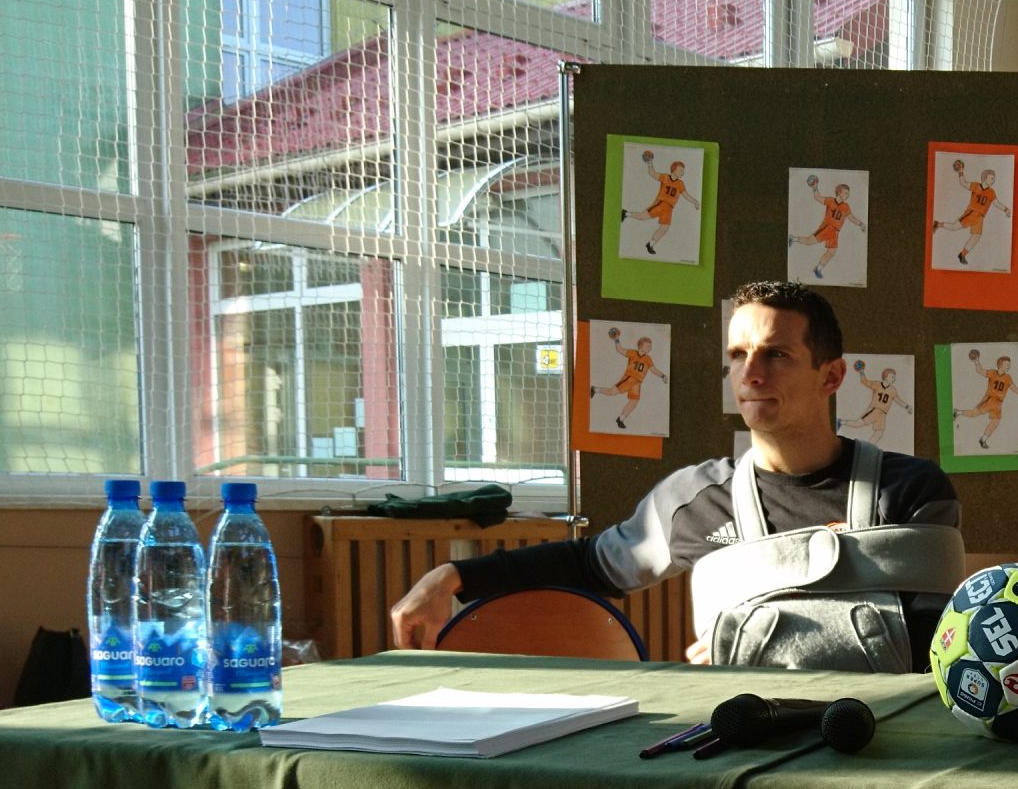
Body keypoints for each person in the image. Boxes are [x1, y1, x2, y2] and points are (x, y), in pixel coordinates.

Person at [389, 282, 960, 663]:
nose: (751, 375)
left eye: (776, 354)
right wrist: (452, 578)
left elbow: (929, 638)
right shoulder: (694, 499)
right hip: (749, 742)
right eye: (738, 355)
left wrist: (749, 645)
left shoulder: (910, 489)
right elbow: (591, 565)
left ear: (831, 376)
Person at [930, 161, 1009, 267]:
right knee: (954, 227)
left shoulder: (992, 192)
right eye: (991, 178)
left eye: (994, 179)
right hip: (971, 213)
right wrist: (961, 171)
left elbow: (996, 203)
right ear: (985, 177)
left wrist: (1005, 209)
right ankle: (938, 224)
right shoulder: (976, 186)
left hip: (980, 217)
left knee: (976, 237)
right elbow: (963, 183)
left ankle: (962, 254)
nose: (993, 180)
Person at [622, 151, 698, 256]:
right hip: (661, 204)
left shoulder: (680, 183)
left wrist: (695, 202)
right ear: (674, 169)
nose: (683, 173)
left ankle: (650, 244)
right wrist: (650, 163)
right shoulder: (665, 177)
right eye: (681, 170)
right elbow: (652, 174)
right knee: (643, 217)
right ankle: (626, 213)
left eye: (683, 171)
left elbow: (686, 195)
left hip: (669, 208)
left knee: (664, 228)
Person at [952, 350, 1018, 449]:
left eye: (1009, 365)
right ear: (1000, 365)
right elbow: (980, 371)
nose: (1009, 366)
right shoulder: (992, 373)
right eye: (1007, 364)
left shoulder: (1008, 377)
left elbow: (1014, 388)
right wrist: (976, 361)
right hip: (990, 399)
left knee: (996, 421)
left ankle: (983, 439)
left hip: (998, 403)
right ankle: (958, 412)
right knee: (974, 413)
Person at [790, 177, 862, 280]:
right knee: (809, 241)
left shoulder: (846, 206)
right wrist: (815, 187)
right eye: (846, 193)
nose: (848, 195)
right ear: (839, 193)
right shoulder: (830, 200)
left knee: (831, 252)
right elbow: (817, 197)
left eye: (848, 193)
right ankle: (793, 238)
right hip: (827, 228)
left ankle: (818, 269)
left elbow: (852, 218)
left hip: (835, 232)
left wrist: (861, 224)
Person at [592, 329, 667, 427]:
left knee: (634, 402)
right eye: (648, 345)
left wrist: (663, 376)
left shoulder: (648, 359)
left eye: (650, 346)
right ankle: (595, 389)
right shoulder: (632, 353)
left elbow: (653, 370)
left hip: (637, 383)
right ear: (641, 346)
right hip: (629, 379)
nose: (650, 347)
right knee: (611, 392)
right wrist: (617, 338)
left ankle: (620, 419)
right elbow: (619, 349)